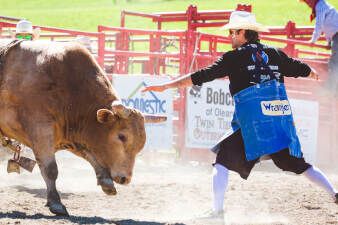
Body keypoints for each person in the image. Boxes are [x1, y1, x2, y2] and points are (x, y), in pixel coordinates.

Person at [142, 11, 338, 223]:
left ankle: (217, 213)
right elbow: (301, 68)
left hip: (252, 123)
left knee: (222, 162)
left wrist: (166, 85)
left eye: (232, 32)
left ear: (243, 32)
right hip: (278, 121)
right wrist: (313, 74)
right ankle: (335, 193)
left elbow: (202, 76)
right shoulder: (275, 54)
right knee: (298, 164)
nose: (229, 36)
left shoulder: (233, 58)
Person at [298, 0, 338, 96]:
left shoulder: (320, 5)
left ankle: (330, 90)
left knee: (334, 63)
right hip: (335, 37)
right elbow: (330, 25)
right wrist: (328, 41)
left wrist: (313, 40)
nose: (307, 4)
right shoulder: (322, 5)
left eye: (307, 1)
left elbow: (319, 24)